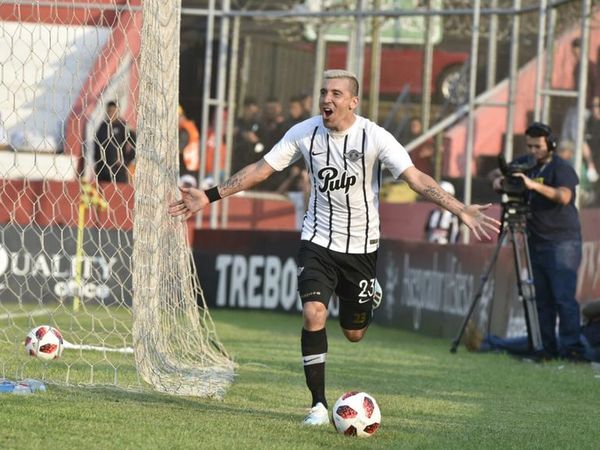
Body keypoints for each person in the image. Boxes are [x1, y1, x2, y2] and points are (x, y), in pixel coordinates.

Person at [169, 69, 500, 425]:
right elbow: (261, 171)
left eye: (336, 94)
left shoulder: (375, 137)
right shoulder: (304, 133)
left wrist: (460, 208)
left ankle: (369, 294)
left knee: (354, 333)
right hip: (317, 241)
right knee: (314, 313)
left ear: (353, 102)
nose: (327, 99)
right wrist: (210, 195)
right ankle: (317, 405)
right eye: (324, 92)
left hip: (361, 247)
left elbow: (416, 178)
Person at [492, 122, 585, 361]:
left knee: (563, 298)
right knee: (541, 299)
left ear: (550, 145)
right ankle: (545, 349)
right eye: (530, 146)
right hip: (535, 239)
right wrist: (501, 181)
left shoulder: (560, 168)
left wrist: (532, 185)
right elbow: (501, 173)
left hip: (562, 241)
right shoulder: (526, 163)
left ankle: (571, 349)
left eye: (538, 146)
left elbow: (564, 196)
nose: (534, 151)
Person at [93, 101, 136, 183]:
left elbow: (135, 144)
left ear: (118, 112)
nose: (111, 113)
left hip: (118, 169)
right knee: (102, 193)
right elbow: (96, 146)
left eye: (114, 111)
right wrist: (97, 163)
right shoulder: (102, 127)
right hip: (102, 169)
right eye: (109, 111)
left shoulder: (123, 126)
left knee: (118, 193)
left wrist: (126, 160)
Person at [178, 105, 200, 187]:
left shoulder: (185, 129)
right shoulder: (191, 126)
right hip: (192, 168)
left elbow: (179, 147)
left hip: (187, 170)